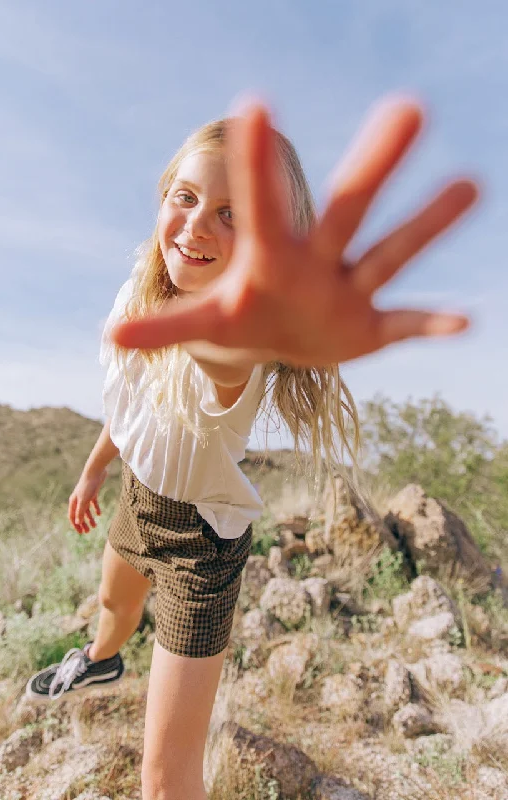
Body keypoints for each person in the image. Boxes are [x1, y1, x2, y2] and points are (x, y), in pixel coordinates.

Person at [25, 96, 478, 800]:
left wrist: (260, 324)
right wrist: (91, 475)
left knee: (165, 776)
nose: (198, 223)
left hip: (201, 542)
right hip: (137, 498)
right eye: (187, 196)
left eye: (231, 214)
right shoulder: (132, 298)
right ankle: (100, 661)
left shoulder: (234, 347)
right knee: (112, 611)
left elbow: (221, 354)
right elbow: (126, 407)